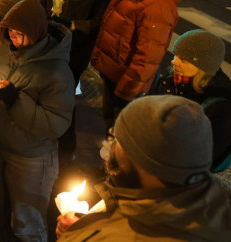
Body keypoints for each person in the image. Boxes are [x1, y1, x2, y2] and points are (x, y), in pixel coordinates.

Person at [57, 95, 231, 242]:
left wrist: (74, 236)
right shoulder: (216, 210)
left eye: (117, 138)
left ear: (145, 162)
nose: (111, 147)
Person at [0, 0, 75, 241]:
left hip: (29, 156)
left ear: (36, 32)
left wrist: (15, 99)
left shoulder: (56, 71)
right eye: (9, 31)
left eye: (20, 33)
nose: (13, 37)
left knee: (26, 219)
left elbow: (55, 123)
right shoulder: (0, 49)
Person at [91, 0, 182, 129]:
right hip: (114, 75)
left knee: (120, 130)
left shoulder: (157, 3)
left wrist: (125, 92)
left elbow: (147, 57)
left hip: (125, 85)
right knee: (109, 124)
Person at [151, 30, 231, 172]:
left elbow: (206, 156)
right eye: (175, 55)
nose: (173, 61)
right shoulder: (169, 81)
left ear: (203, 67)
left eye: (183, 59)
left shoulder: (220, 106)